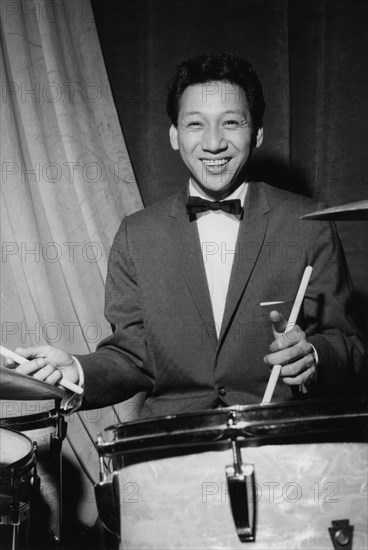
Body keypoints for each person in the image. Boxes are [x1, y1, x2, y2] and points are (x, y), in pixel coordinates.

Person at [7, 53, 366, 417]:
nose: (213, 143)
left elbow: (349, 345)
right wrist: (77, 370)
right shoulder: (137, 234)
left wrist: (315, 356)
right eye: (196, 124)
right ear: (175, 135)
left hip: (280, 443)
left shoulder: (308, 222)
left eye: (231, 122)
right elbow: (133, 355)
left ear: (257, 133)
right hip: (170, 446)